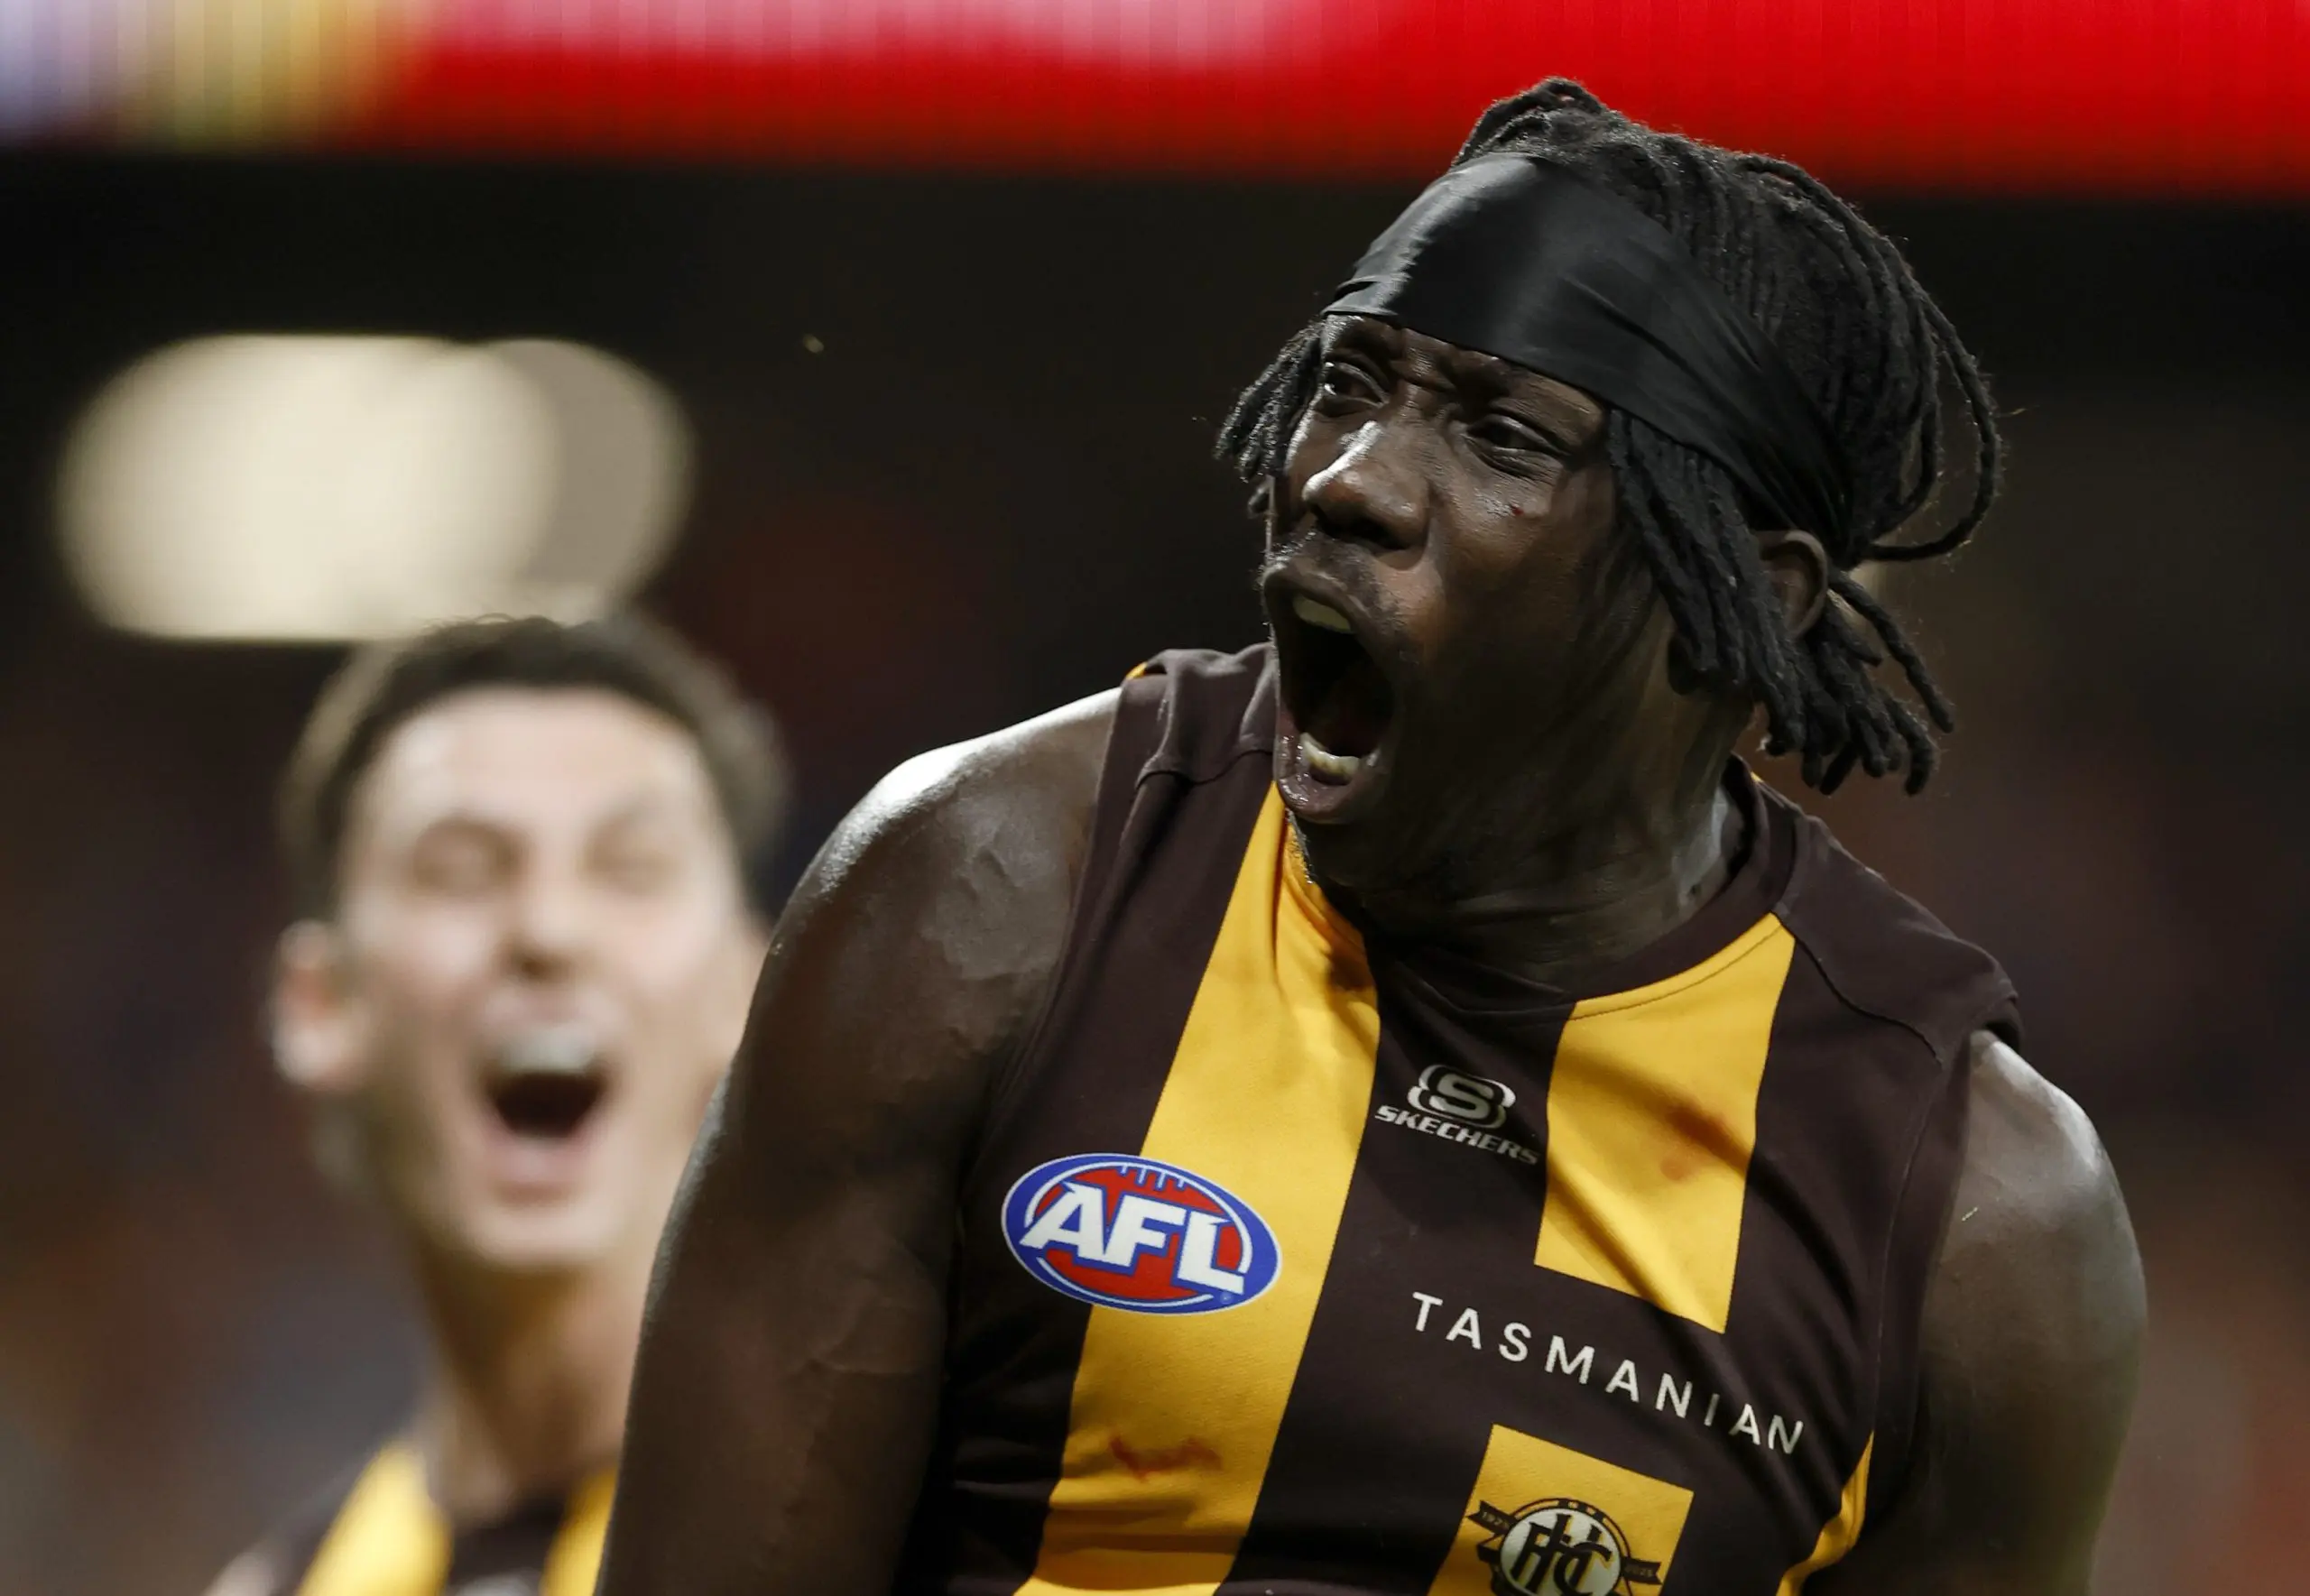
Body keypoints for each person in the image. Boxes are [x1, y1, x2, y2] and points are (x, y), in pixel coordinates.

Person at [598, 80, 2144, 1595]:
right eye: (1348, 383)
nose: (1345, 481)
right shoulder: (998, 889)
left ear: (1745, 591)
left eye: (1502, 437)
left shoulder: (1966, 1218)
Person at [205, 613, 787, 1596]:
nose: (547, 928)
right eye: (461, 870)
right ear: (321, 1003)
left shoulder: (939, 1535)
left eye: (630, 868)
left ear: (747, 991)